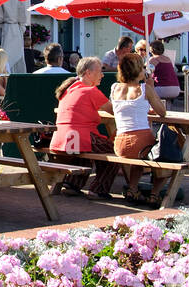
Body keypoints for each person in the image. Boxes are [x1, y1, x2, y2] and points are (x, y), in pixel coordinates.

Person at [49, 56, 119, 200]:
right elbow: (115, 111)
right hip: (78, 138)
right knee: (115, 152)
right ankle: (98, 189)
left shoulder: (69, 88)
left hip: (61, 139)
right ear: (88, 73)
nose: (102, 75)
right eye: (100, 71)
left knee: (86, 150)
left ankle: (72, 184)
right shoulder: (90, 91)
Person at [112, 52, 167, 206]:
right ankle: (155, 194)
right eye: (142, 68)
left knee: (138, 158)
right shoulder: (144, 89)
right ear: (137, 70)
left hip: (120, 143)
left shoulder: (114, 87)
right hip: (140, 141)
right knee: (167, 155)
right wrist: (151, 88)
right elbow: (162, 112)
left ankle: (133, 188)